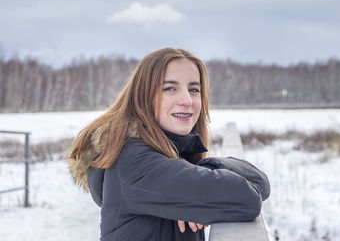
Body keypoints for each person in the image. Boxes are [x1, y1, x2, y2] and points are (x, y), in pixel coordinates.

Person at [68, 48, 270, 241]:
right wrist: (201, 186)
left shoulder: (169, 153)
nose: (186, 100)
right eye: (170, 88)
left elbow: (261, 183)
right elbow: (247, 200)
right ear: (143, 96)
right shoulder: (134, 161)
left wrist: (202, 170)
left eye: (193, 89)